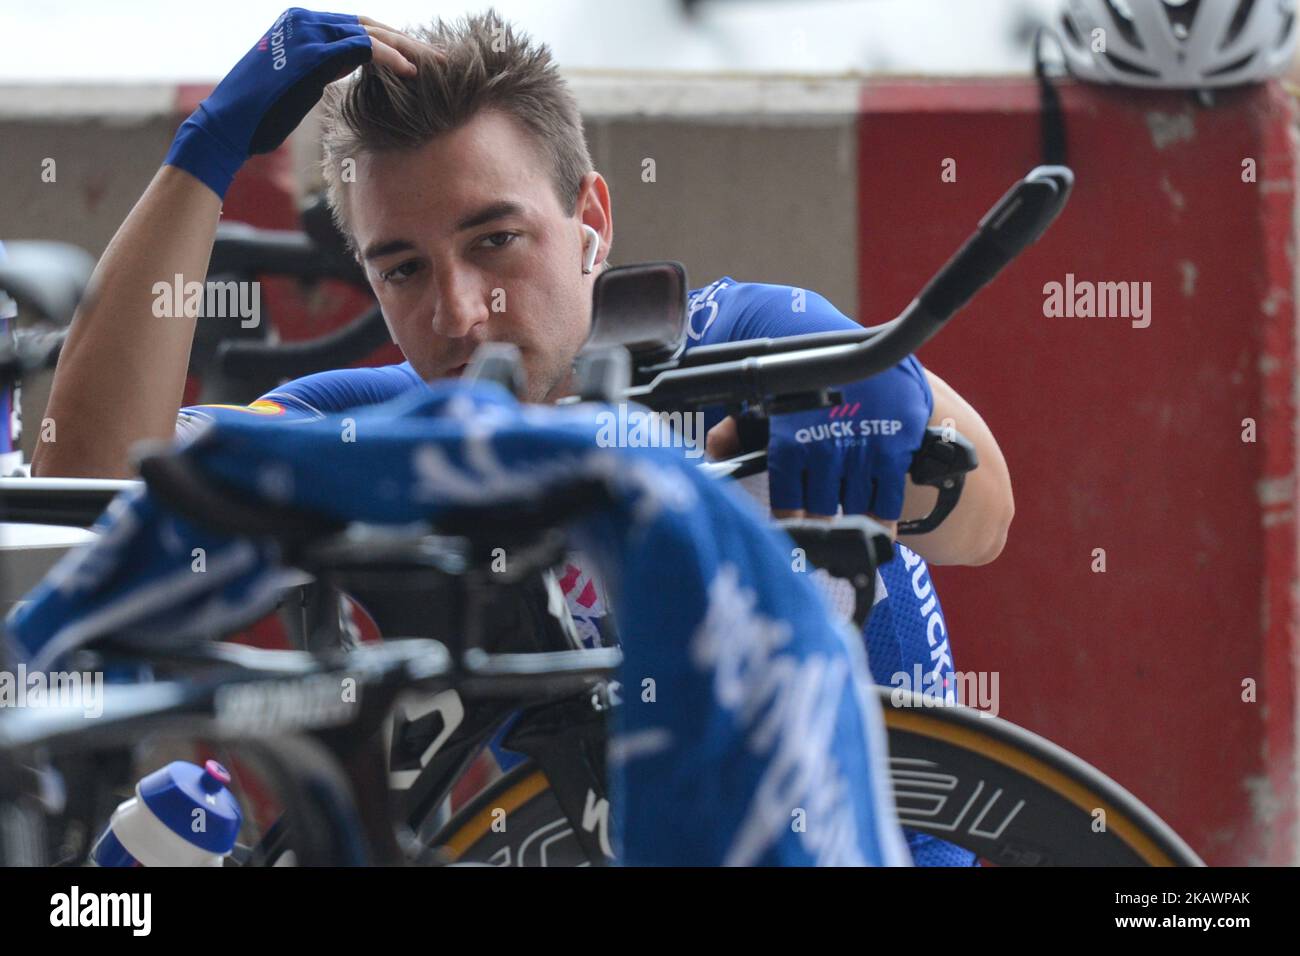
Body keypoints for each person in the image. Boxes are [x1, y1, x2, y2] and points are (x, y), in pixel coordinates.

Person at [30, 7, 1013, 865]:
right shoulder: (382, 426)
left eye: (495, 238)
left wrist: (900, 408)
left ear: (590, 220)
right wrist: (203, 152)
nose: (459, 313)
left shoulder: (751, 338)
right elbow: (87, 489)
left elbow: (983, 525)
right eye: (404, 269)